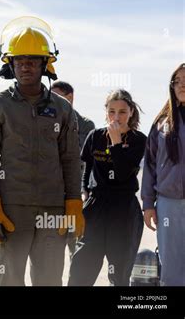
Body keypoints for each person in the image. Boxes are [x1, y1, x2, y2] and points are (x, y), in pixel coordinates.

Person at [0, 16, 83, 286]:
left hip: (53, 208)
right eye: (20, 60)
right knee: (9, 280)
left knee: (49, 279)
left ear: (45, 64)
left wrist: (73, 202)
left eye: (33, 60)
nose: (26, 66)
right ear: (10, 64)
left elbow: (70, 159)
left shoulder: (62, 109)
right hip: (10, 209)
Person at [68, 89, 146, 286]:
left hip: (124, 209)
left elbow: (122, 174)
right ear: (106, 112)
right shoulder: (95, 136)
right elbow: (87, 167)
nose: (116, 117)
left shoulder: (138, 140)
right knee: (81, 268)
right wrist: (85, 191)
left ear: (131, 112)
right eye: (112, 111)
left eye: (122, 111)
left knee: (119, 274)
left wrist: (116, 142)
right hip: (96, 206)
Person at [142, 63, 185, 286]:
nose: (182, 84)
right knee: (172, 268)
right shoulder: (162, 124)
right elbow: (149, 165)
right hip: (169, 204)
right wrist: (148, 204)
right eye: (177, 80)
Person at [52, 81, 95, 259]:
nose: (51, 101)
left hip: (76, 195)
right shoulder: (47, 122)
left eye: (56, 96)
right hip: (52, 194)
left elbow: (80, 154)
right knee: (52, 252)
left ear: (70, 97)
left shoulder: (86, 125)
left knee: (76, 251)